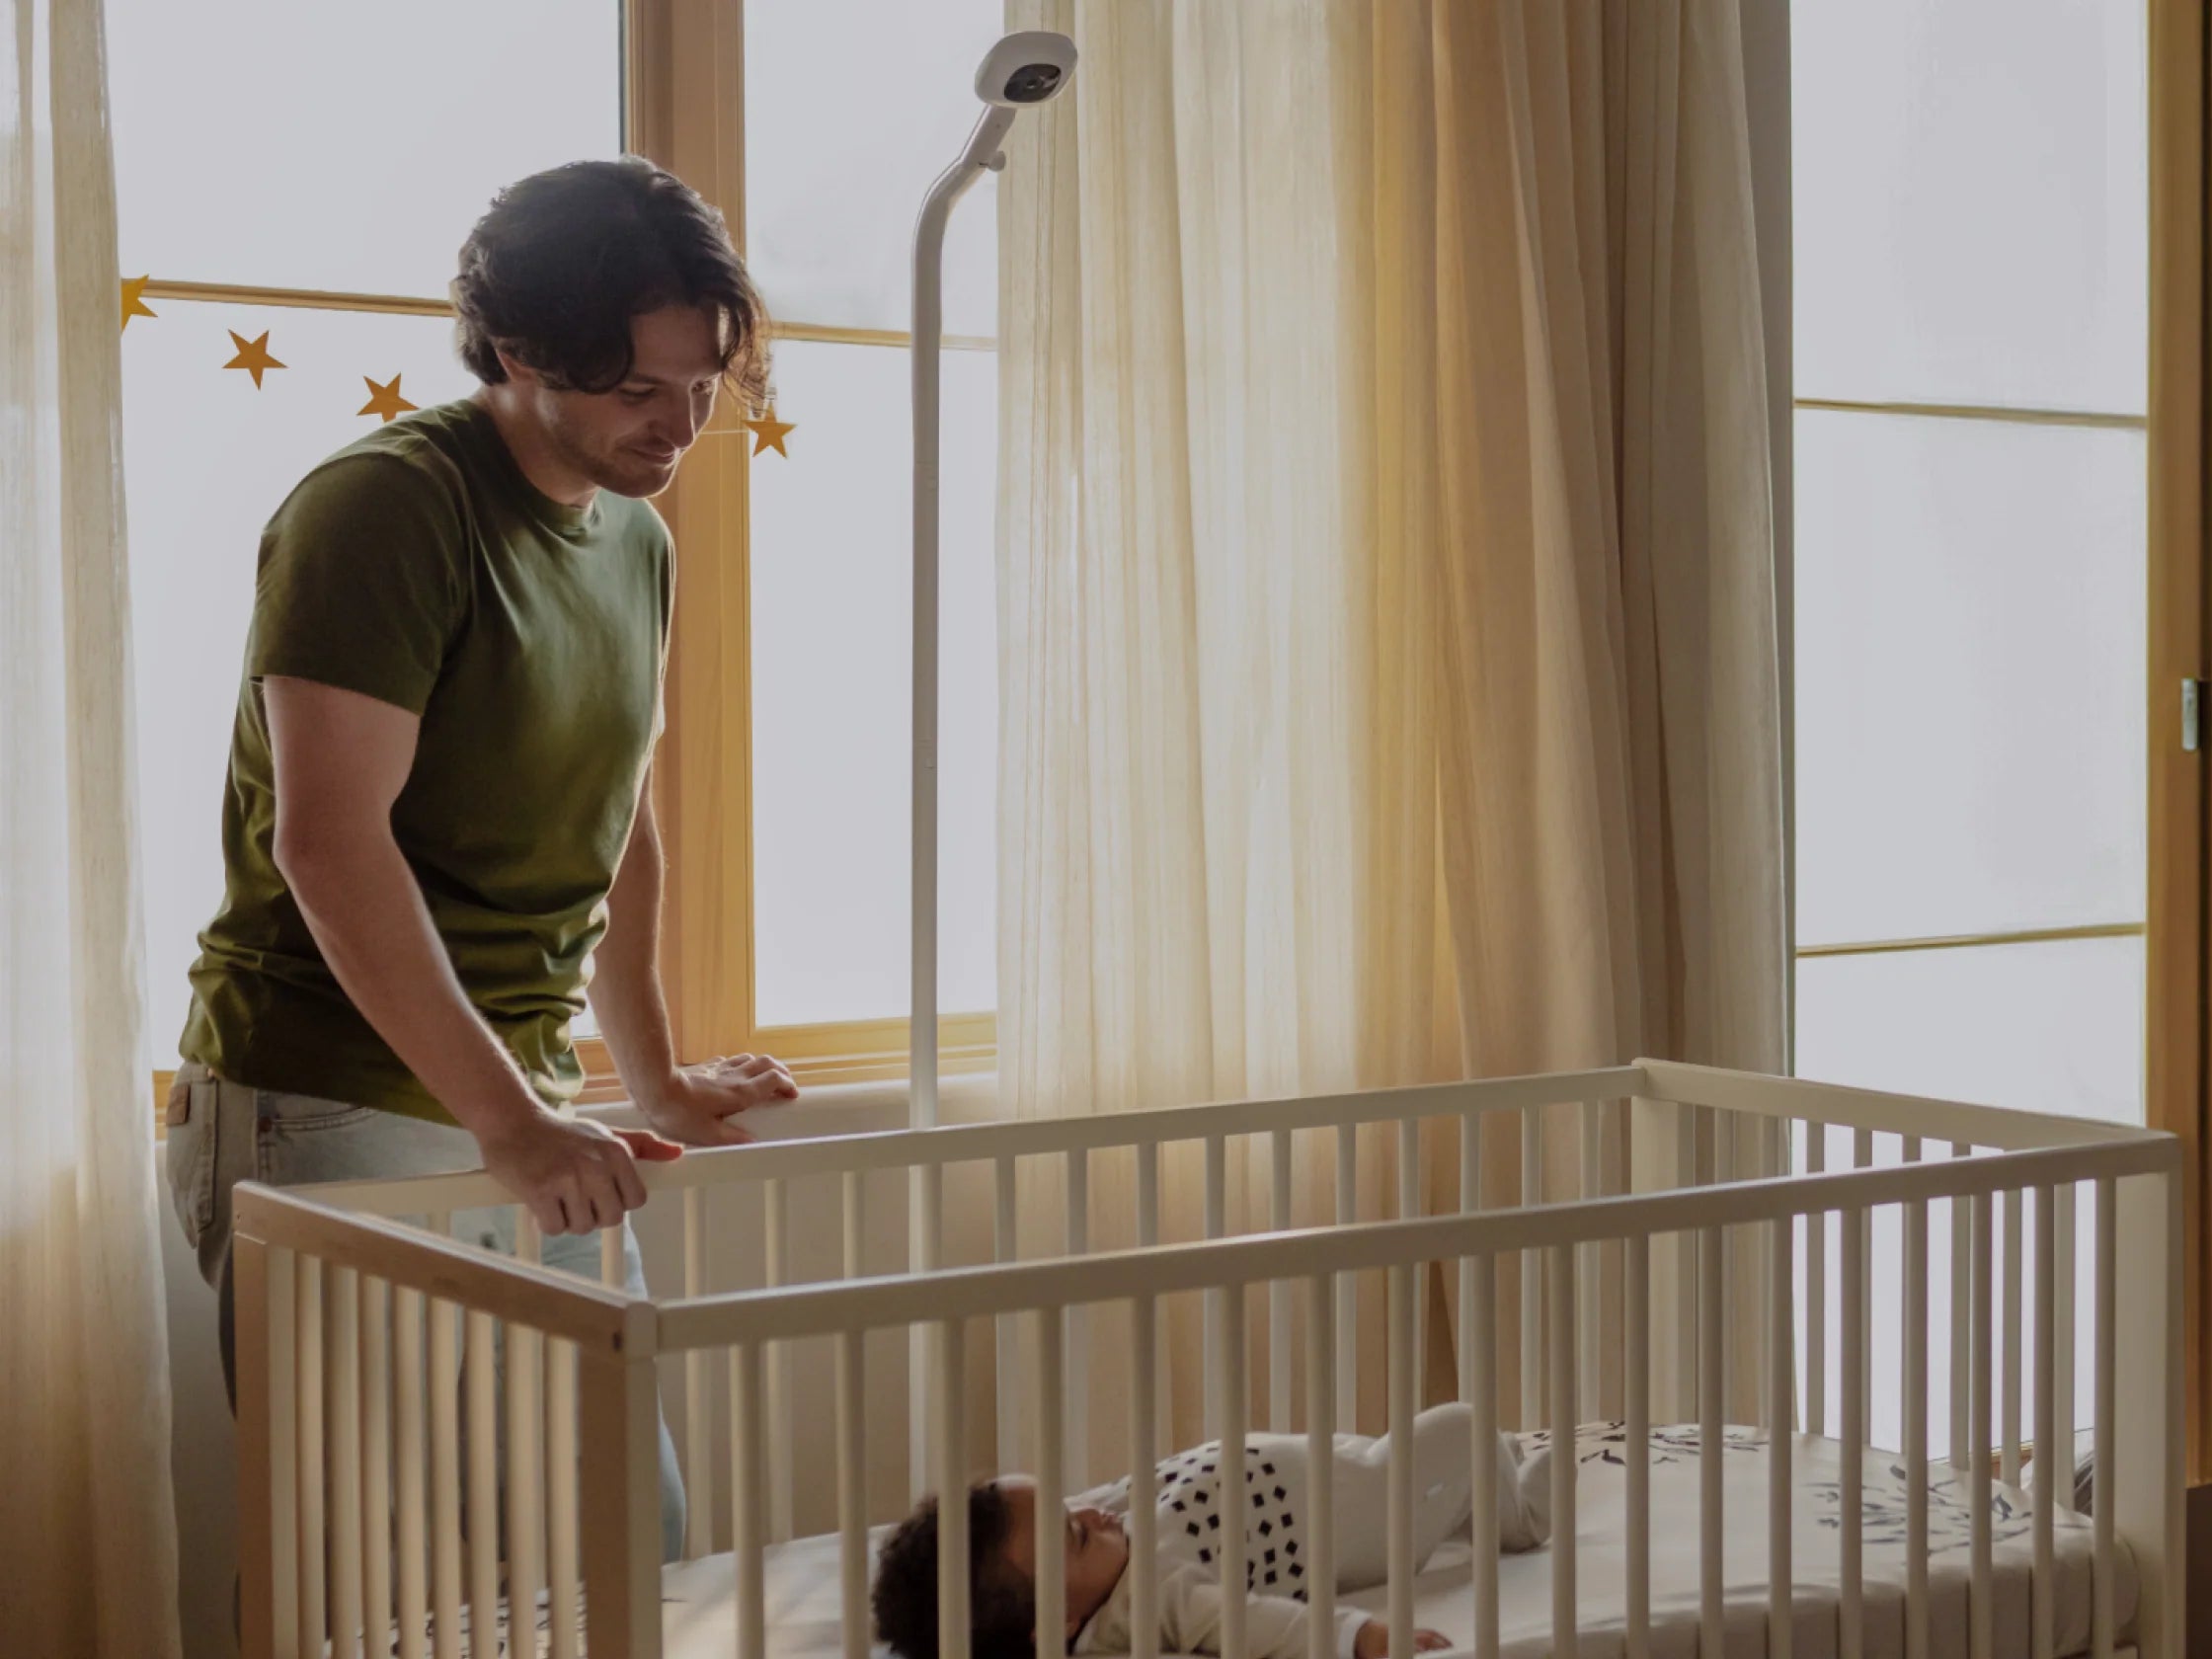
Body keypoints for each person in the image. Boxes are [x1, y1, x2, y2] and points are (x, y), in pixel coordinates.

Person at [162, 156, 796, 1563]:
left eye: (703, 387)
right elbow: (328, 841)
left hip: (531, 1101)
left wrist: (651, 1077)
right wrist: (508, 1125)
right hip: (332, 1098)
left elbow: (616, 825)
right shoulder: (387, 508)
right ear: (519, 352)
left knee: (632, 1551)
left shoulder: (633, 537)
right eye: (639, 392)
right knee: (371, 1582)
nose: (678, 427)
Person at [870, 1403, 1551, 1659]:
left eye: (1067, 1507)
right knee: (1462, 1426)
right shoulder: (1152, 1597)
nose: (1094, 1514)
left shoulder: (1101, 1542)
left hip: (1326, 1468)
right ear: (1056, 1625)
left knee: (1424, 1452)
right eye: (1076, 1536)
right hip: (1368, 1512)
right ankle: (1525, 1514)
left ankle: (1486, 1477)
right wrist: (1358, 1636)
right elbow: (1249, 1621)